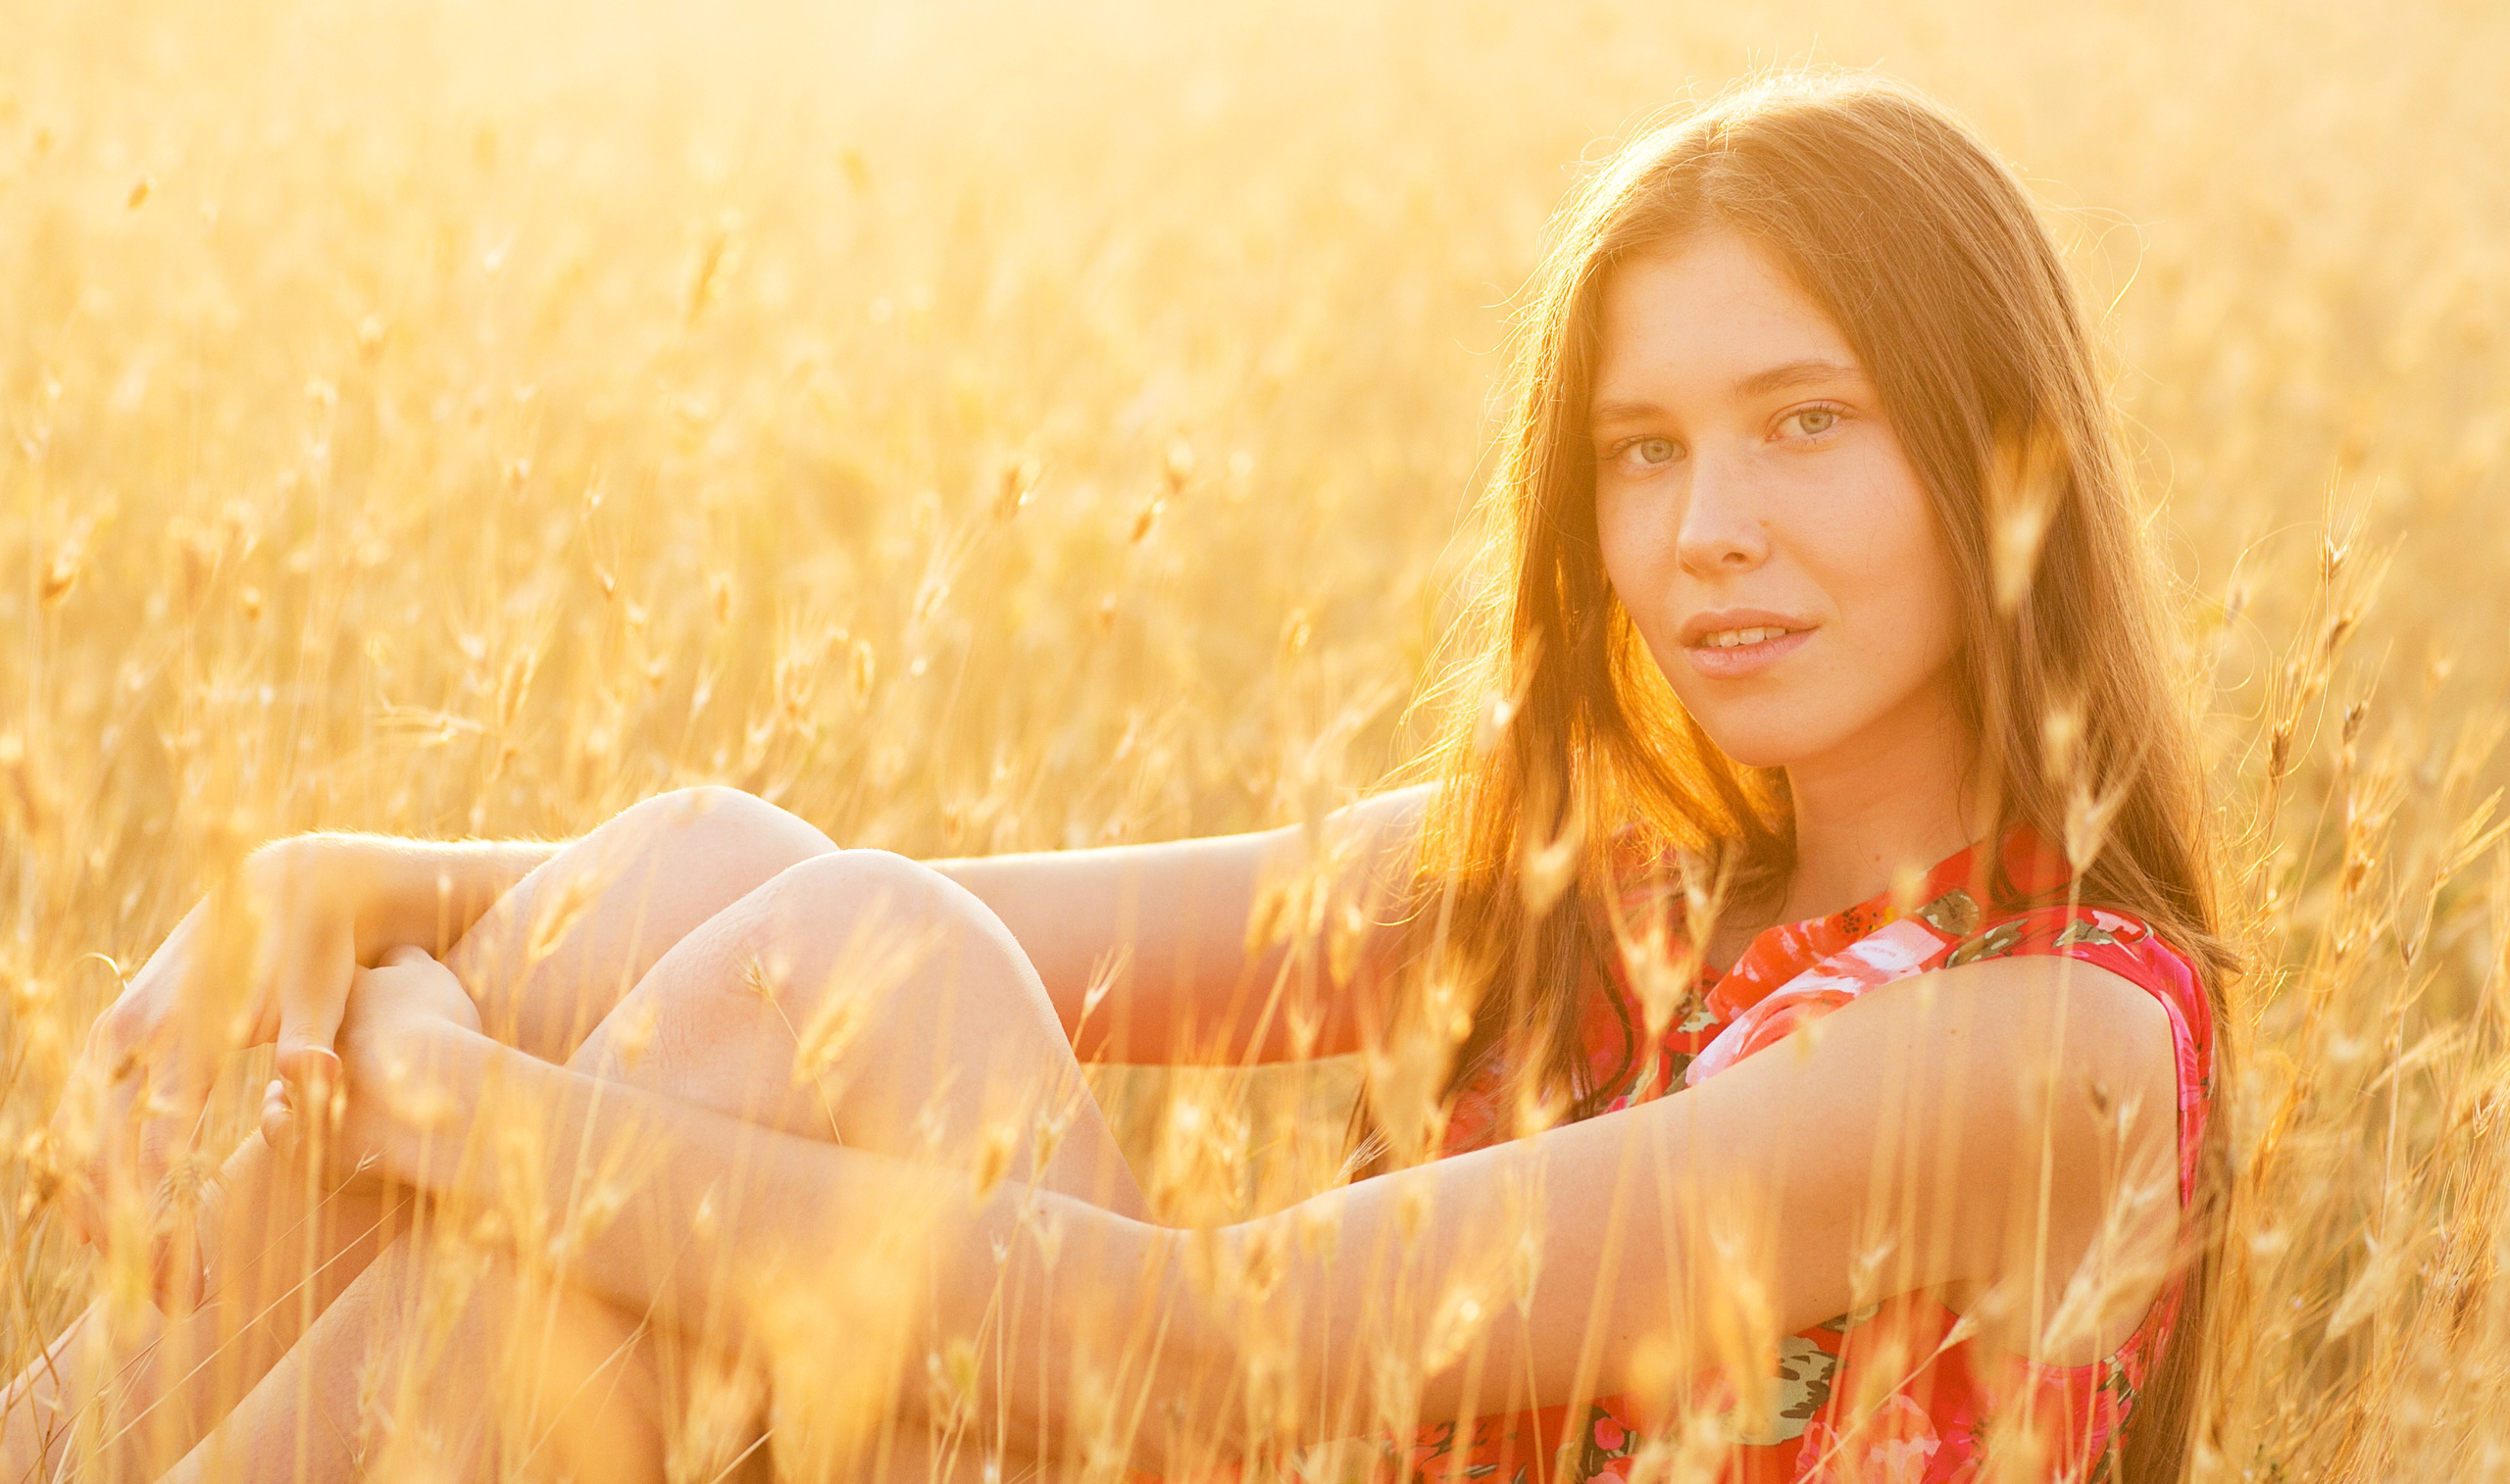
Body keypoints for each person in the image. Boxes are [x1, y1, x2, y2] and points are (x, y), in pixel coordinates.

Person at [6, 70, 2231, 1483]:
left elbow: (1200, 1364)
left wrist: (453, 1109)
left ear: (1995, 453)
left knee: (833, 960)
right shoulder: (1599, 873)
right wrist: (347, 884)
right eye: (1641, 450)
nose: (1703, 525)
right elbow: (859, 908)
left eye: (1802, 419)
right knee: (719, 869)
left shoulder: (2048, 1040)